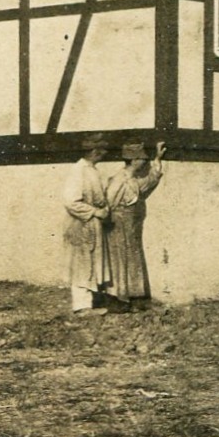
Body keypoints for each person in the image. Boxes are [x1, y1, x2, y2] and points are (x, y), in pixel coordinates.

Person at [104, 141, 166, 311]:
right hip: (117, 226)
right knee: (119, 260)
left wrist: (158, 158)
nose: (144, 162)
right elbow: (108, 204)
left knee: (133, 259)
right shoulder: (118, 180)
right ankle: (118, 299)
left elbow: (150, 182)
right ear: (133, 160)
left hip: (132, 226)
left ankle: (135, 298)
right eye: (141, 159)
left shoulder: (132, 180)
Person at [62, 135, 111, 315]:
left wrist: (103, 208)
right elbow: (71, 201)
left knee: (91, 263)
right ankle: (82, 307)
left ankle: (91, 302)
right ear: (93, 151)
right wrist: (95, 212)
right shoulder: (78, 170)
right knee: (82, 264)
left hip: (92, 224)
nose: (104, 154)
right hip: (80, 225)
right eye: (102, 150)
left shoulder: (92, 170)